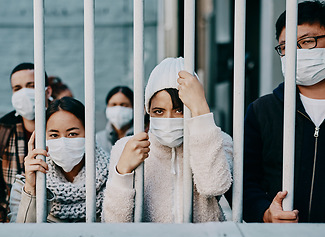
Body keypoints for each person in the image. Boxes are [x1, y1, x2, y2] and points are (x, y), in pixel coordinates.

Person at [102, 57, 233, 223]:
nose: (169, 118)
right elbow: (114, 223)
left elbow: (214, 186)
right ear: (147, 110)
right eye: (158, 111)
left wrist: (201, 110)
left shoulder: (218, 141)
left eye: (179, 110)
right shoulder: (126, 148)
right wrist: (123, 172)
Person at [243, 0, 325, 223]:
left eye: (307, 41)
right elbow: (245, 182)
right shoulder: (261, 112)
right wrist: (266, 213)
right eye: (286, 46)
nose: (296, 53)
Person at [8, 97, 109, 222]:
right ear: (43, 137)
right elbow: (19, 235)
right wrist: (31, 189)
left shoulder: (113, 180)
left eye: (72, 134)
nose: (63, 142)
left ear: (89, 134)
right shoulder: (23, 186)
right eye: (54, 135)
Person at [0, 62, 52, 222]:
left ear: (47, 91)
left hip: (57, 217)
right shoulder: (3, 129)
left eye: (31, 86)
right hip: (13, 218)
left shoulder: (64, 122)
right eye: (17, 88)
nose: (23, 93)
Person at [96, 86, 134, 155]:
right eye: (113, 105)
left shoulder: (142, 136)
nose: (118, 109)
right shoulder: (98, 139)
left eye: (124, 105)